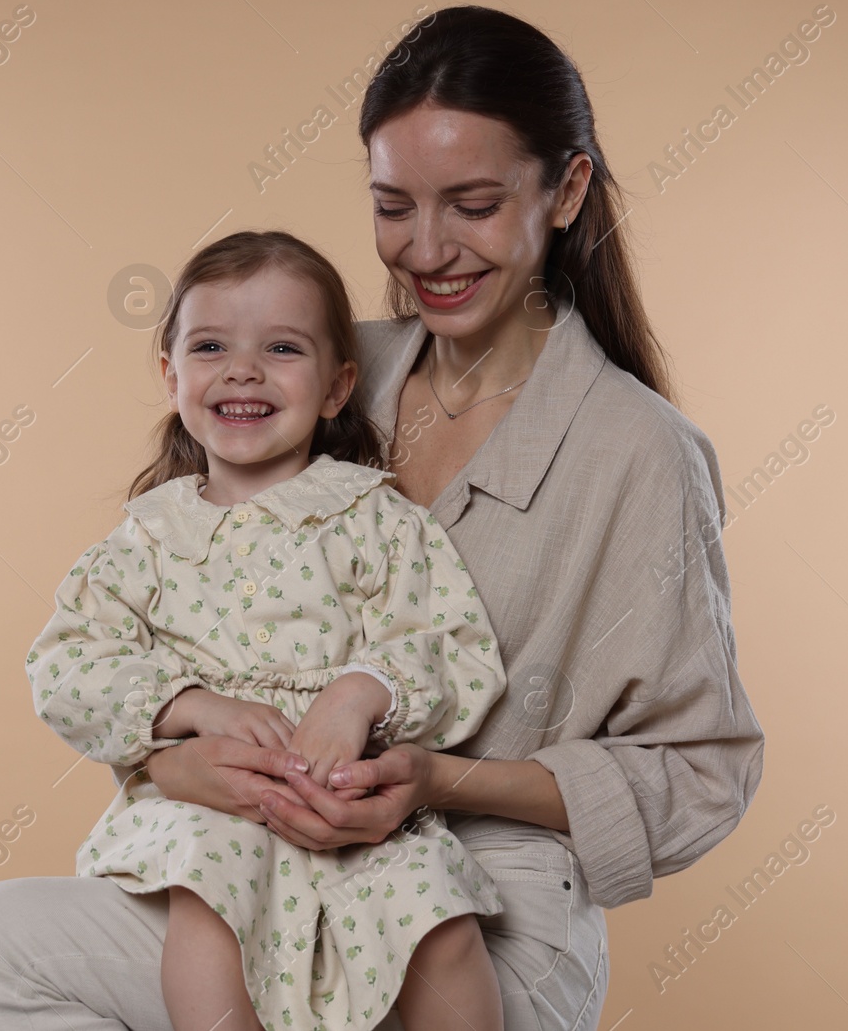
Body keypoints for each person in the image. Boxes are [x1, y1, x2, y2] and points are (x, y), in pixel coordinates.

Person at [0, 4, 765, 1031]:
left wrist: (433, 776)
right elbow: (158, 617)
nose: (426, 250)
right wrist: (171, 755)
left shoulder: (640, 453)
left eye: (470, 203)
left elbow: (700, 772)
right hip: (253, 861)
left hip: (477, 897)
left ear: (566, 189)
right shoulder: (316, 361)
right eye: (392, 204)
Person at [25, 228, 513, 1031]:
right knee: (209, 906)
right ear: (170, 374)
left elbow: (453, 644)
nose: (242, 369)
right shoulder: (146, 539)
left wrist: (361, 693)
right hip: (211, 808)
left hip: (343, 793)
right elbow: (67, 667)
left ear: (334, 386)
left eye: (281, 347)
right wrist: (187, 704)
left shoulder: (375, 516)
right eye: (211, 345)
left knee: (441, 916)